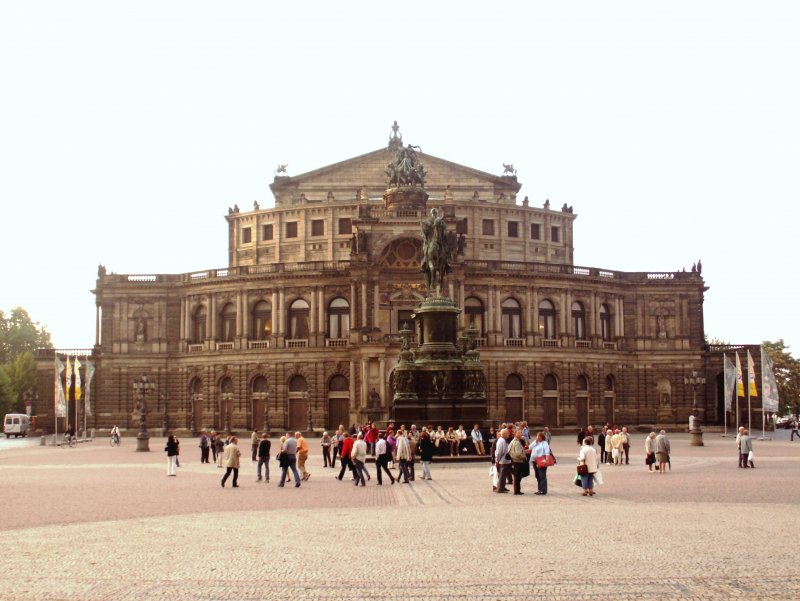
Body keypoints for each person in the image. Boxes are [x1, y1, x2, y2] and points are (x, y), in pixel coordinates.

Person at [508, 428, 527, 495]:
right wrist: (524, 457)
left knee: (516, 477)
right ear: (515, 434)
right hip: (518, 461)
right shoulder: (517, 442)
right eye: (519, 433)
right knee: (517, 477)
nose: (521, 434)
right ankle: (517, 491)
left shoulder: (513, 441)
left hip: (514, 461)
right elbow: (518, 454)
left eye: (521, 432)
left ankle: (517, 490)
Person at [494, 428, 512, 493]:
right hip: (503, 460)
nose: (508, 434)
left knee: (503, 475)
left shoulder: (504, 440)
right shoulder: (501, 441)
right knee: (502, 475)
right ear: (504, 434)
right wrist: (497, 460)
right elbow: (499, 452)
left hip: (505, 460)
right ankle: (500, 488)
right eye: (507, 433)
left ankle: (502, 487)